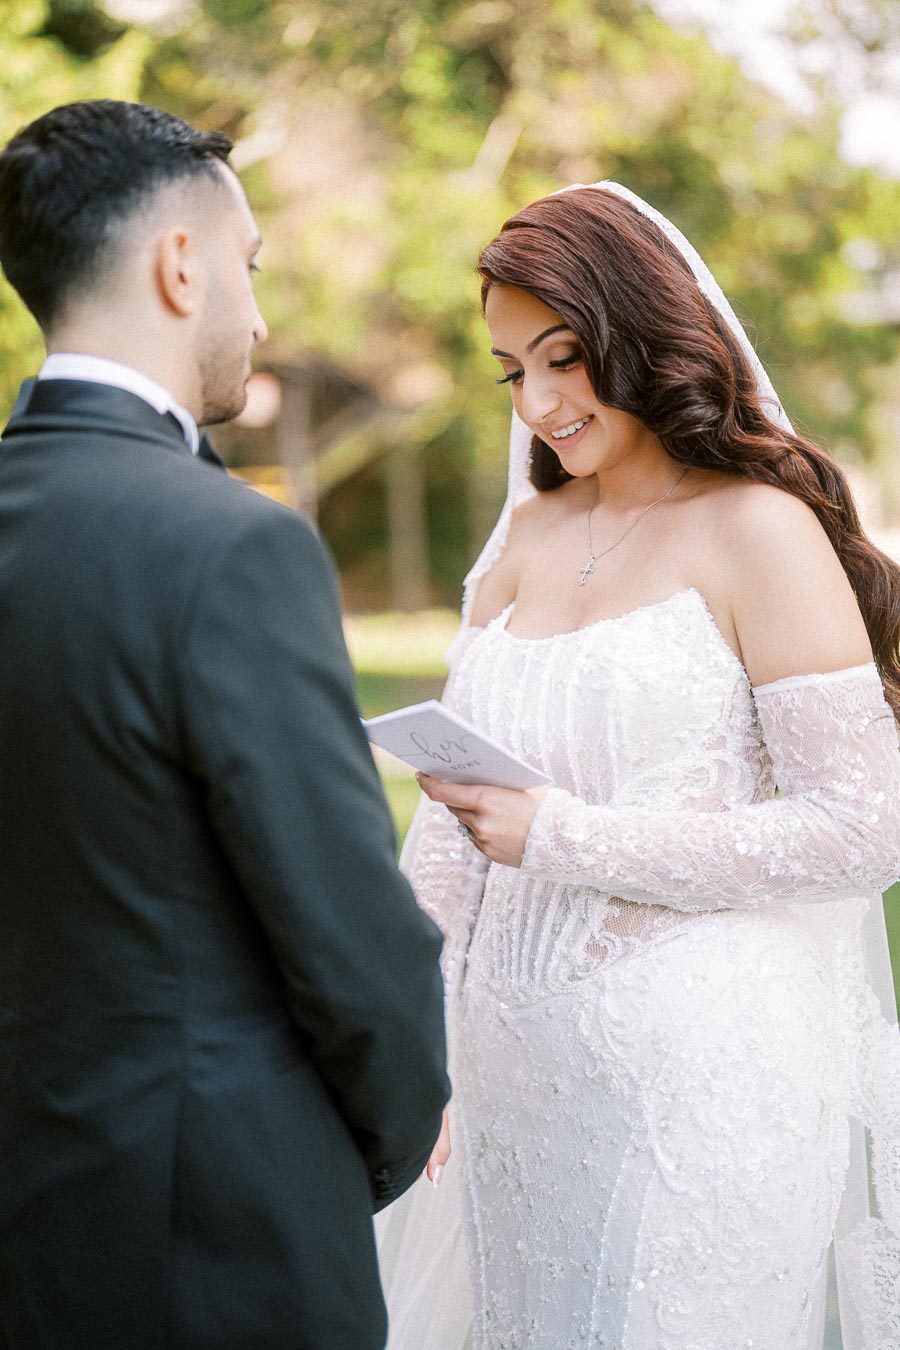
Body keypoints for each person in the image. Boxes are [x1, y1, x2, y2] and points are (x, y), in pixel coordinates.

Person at [375, 183, 900, 1349]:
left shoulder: (757, 530)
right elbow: (453, 821)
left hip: (701, 1099)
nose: (542, 402)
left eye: (565, 357)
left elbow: (866, 828)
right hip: (516, 1096)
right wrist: (404, 1034)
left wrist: (563, 836)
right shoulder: (525, 536)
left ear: (641, 329)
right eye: (514, 370)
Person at [0, 100, 449, 1350]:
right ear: (179, 265)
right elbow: (351, 933)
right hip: (218, 1225)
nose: (257, 318)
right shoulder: (231, 547)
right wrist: (372, 1146)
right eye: (248, 271)